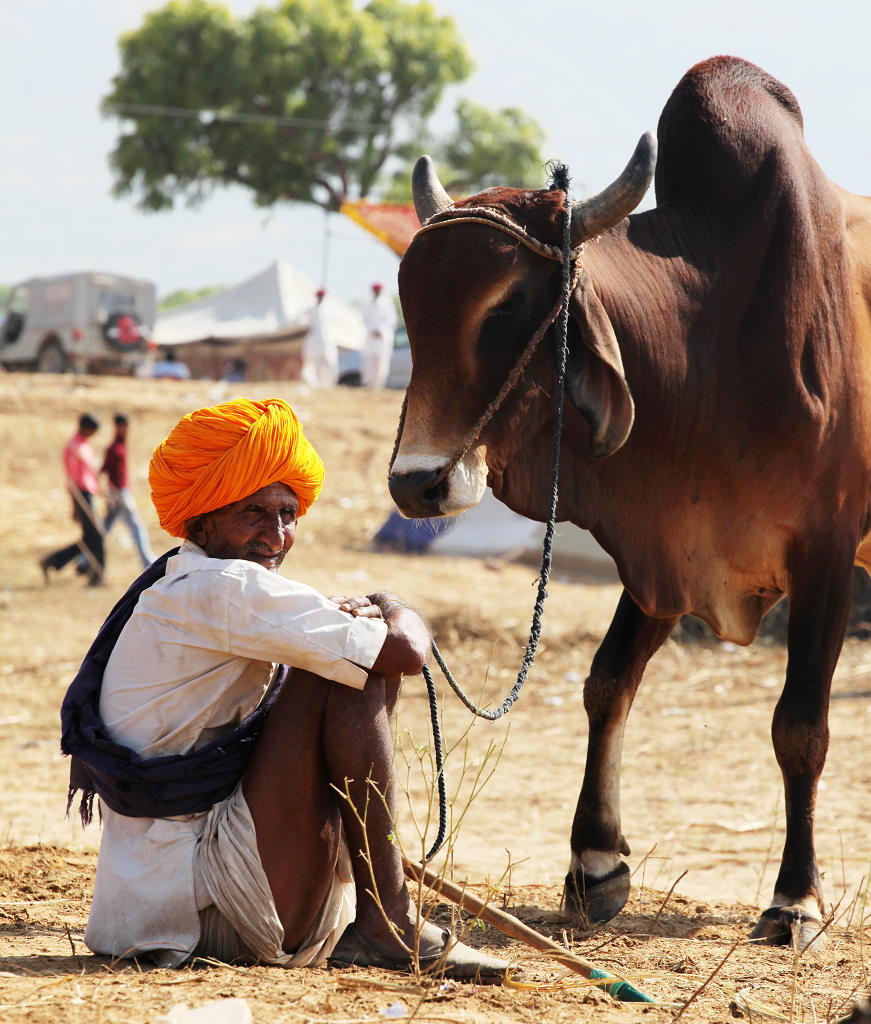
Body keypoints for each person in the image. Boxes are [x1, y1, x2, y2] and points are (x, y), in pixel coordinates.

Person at [60, 397, 508, 982]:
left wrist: (356, 622)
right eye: (255, 513)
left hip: (156, 907)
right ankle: (389, 922)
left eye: (287, 514)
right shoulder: (223, 589)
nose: (276, 535)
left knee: (338, 657)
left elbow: (324, 633)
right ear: (202, 522)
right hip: (206, 909)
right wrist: (393, 607)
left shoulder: (186, 583)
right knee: (348, 670)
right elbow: (403, 653)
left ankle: (378, 914)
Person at [41, 413, 105, 586]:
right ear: (85, 427)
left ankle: (52, 561)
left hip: (89, 493)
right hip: (81, 493)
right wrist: (75, 504)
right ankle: (98, 576)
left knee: (90, 537)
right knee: (96, 535)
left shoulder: (86, 444)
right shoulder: (73, 446)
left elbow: (89, 472)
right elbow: (72, 476)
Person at [100, 413, 156, 570]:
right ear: (119, 427)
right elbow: (105, 470)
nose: (128, 430)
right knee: (136, 527)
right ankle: (148, 563)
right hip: (119, 493)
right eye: (125, 426)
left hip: (119, 492)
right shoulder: (114, 448)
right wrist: (114, 493)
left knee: (105, 528)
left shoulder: (120, 446)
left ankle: (84, 560)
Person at [361, 283, 397, 390]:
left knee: (381, 363)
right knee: (369, 363)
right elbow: (364, 320)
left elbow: (391, 320)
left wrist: (381, 331)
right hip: (370, 338)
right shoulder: (367, 305)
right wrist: (371, 331)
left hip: (382, 338)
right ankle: (369, 385)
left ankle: (378, 386)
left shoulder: (387, 304)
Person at [301, 287, 338, 388]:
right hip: (314, 339)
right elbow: (298, 318)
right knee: (312, 361)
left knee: (327, 361)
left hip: (326, 339)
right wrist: (306, 326)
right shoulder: (311, 308)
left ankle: (327, 384)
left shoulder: (329, 309)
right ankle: (314, 383)